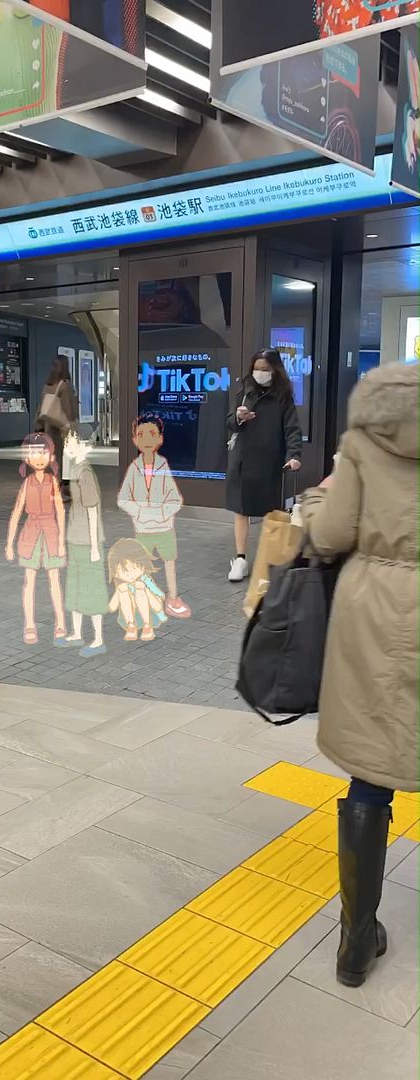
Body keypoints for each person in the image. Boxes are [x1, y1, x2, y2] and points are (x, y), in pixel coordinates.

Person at [301, 360, 419, 988]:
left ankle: (354, 941)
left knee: (372, 772)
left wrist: (320, 499)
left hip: (374, 607)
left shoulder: (364, 442)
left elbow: (329, 532)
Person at [226, 348, 302, 581]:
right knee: (241, 509)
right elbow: (230, 423)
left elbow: (292, 429)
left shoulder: (283, 396)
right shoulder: (245, 391)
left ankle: (269, 558)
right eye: (256, 369)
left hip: (270, 460)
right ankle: (240, 558)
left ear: (275, 371)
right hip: (242, 459)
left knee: (271, 511)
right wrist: (240, 417)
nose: (260, 373)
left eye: (265, 369)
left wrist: (294, 454)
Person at [117, 414, 191, 618]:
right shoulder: (134, 468)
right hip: (143, 529)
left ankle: (173, 597)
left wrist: (162, 514)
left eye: (152, 434)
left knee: (169, 561)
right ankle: (145, 598)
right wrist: (140, 512)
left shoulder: (163, 466)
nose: (147, 440)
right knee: (142, 565)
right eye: (141, 435)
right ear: (134, 439)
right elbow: (123, 499)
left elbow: (174, 499)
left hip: (164, 527)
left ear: (160, 438)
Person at [4, 432, 66, 646]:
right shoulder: (26, 484)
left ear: (50, 456)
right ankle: (29, 624)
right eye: (32, 454)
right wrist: (9, 543)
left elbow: (60, 510)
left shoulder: (52, 482)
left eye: (43, 453)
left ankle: (60, 623)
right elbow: (16, 512)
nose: (38, 458)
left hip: (50, 532)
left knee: (54, 580)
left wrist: (61, 541)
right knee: (29, 581)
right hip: (30, 533)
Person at [59, 428, 109, 658]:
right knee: (76, 587)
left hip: (87, 541)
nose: (68, 448)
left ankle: (98, 638)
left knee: (91, 589)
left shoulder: (85, 473)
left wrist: (95, 547)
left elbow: (91, 511)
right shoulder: (76, 470)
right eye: (66, 444)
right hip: (75, 537)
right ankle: (77, 632)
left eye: (72, 443)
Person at [107, 537, 167, 643]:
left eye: (134, 568)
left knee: (140, 587)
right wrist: (119, 592)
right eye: (124, 571)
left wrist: (160, 611)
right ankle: (131, 625)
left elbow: (159, 598)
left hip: (152, 613)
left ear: (143, 566)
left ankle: (147, 625)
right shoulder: (122, 586)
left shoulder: (145, 579)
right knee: (123, 589)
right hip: (130, 617)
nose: (130, 574)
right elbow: (112, 607)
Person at [36, 355, 79, 496]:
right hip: (62, 427)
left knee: (53, 457)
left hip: (49, 426)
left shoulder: (47, 384)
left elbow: (41, 407)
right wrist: (71, 426)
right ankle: (61, 488)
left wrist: (38, 425)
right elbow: (68, 409)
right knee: (65, 458)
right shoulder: (64, 385)